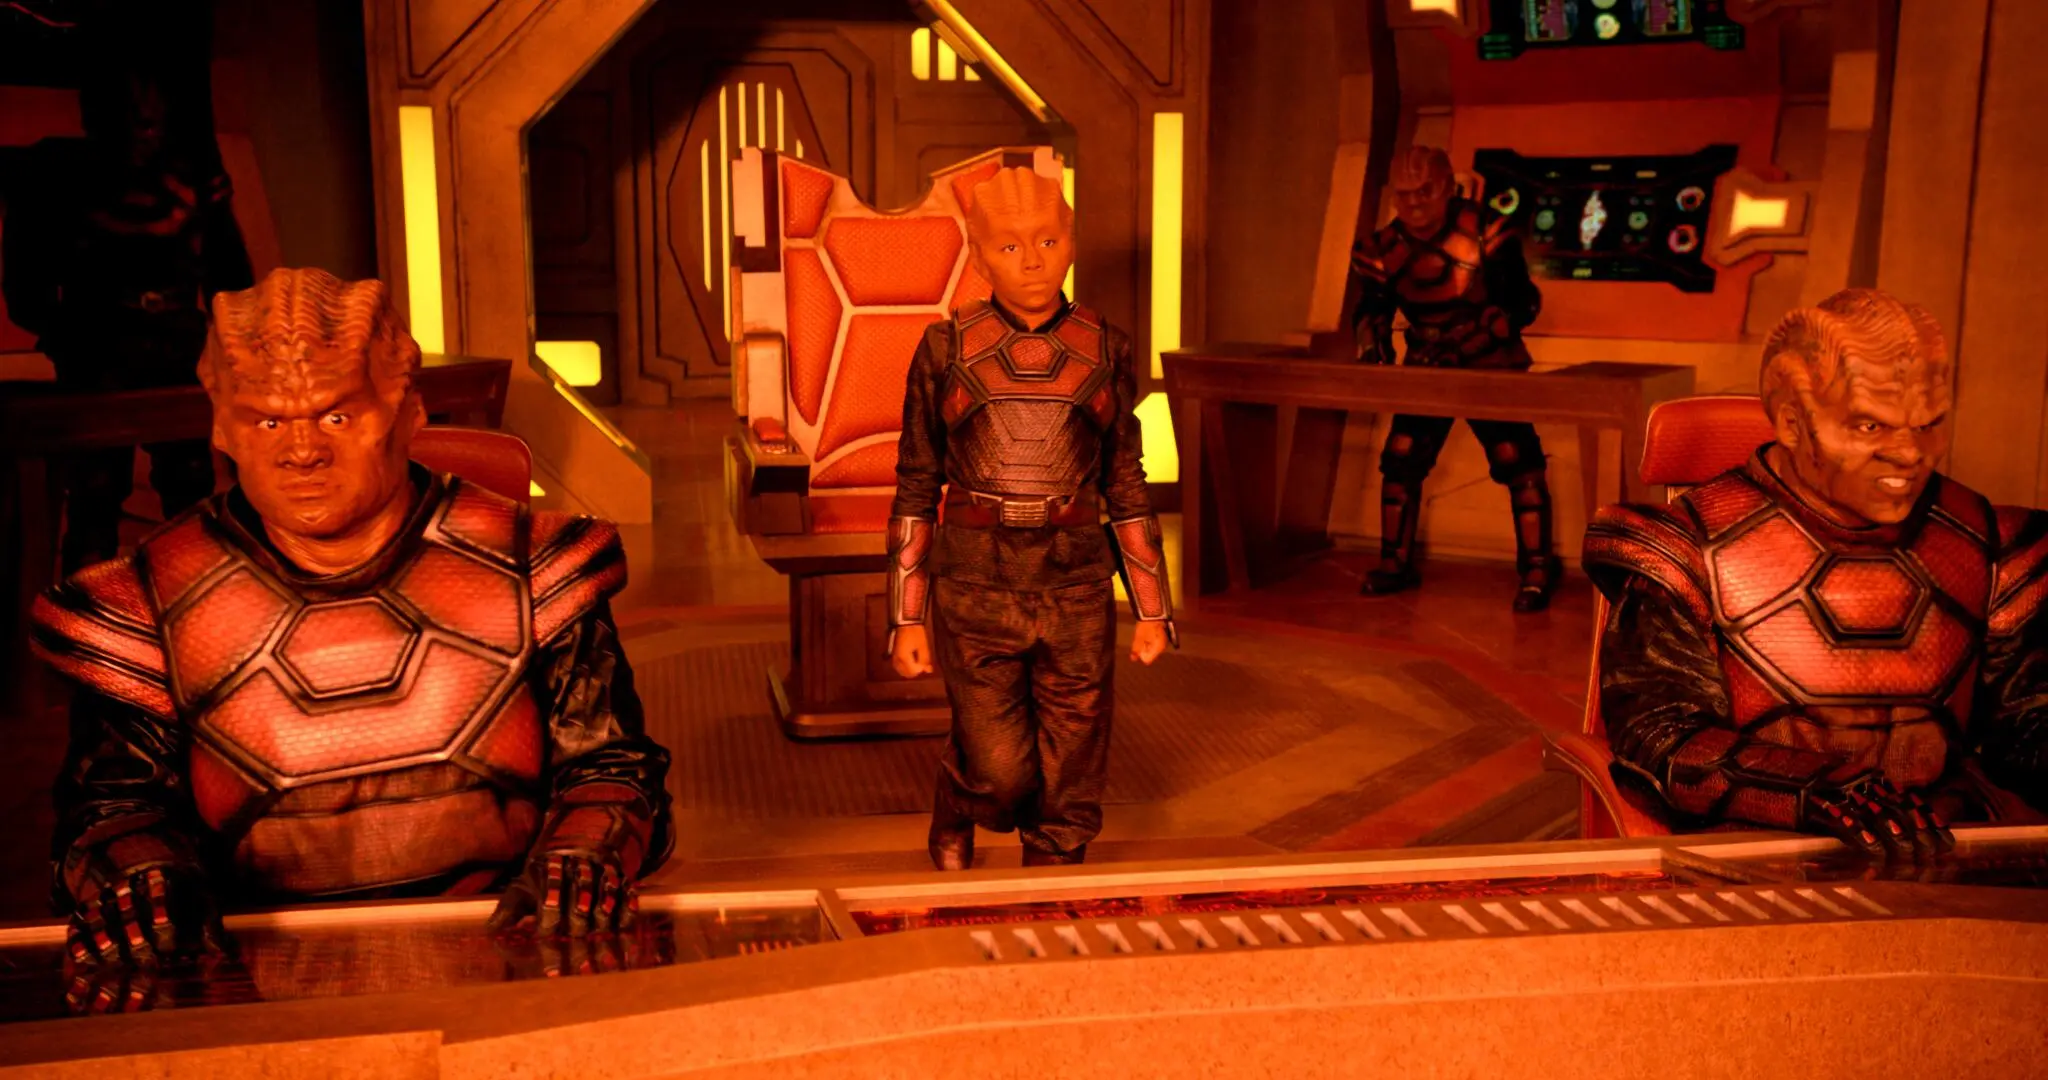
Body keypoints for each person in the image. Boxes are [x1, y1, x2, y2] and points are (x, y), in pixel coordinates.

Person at [31, 268, 673, 973]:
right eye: (268, 421)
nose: (302, 451)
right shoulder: (145, 604)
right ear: (222, 427)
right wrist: (142, 876)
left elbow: (609, 767)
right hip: (255, 980)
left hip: (510, 958)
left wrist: (586, 852)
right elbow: (113, 807)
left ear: (408, 410)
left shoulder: (535, 568)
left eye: (336, 417)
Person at [1584, 288, 2048, 859]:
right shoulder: (1686, 549)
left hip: (1954, 850)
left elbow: (2022, 730)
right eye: (1871, 428)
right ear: (1793, 421)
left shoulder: (1992, 543)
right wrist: (1811, 789)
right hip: (1759, 857)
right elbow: (1659, 736)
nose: (1910, 455)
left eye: (1929, 425)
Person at [886, 165, 1175, 870]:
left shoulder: (1108, 347)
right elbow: (917, 484)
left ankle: (1055, 863)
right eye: (1010, 246)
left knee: (1075, 755)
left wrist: (1153, 609)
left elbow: (1124, 479)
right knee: (1001, 772)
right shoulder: (945, 347)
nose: (1033, 261)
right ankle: (960, 794)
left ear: (1071, 241)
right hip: (975, 583)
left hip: (1076, 580)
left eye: (1047, 241)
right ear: (979, 255)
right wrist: (905, 618)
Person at [0, 17, 254, 573]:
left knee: (188, 491)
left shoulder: (193, 175)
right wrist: (64, 332)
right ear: (97, 110)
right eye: (125, 106)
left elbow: (231, 277)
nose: (141, 122)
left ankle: (191, 596)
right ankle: (90, 607)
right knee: (95, 498)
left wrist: (247, 345)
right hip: (97, 354)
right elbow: (25, 284)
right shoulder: (56, 177)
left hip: (175, 352)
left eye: (150, 107)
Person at [1348, 145, 1559, 611]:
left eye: (1424, 191)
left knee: (1518, 462)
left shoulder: (1488, 231)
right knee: (1402, 459)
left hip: (1489, 360)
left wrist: (1489, 329)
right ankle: (1394, 562)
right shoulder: (1380, 249)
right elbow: (1372, 307)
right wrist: (1372, 342)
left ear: (1447, 187)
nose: (1414, 204)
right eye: (1405, 194)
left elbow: (1522, 301)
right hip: (1427, 363)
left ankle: (1537, 567)